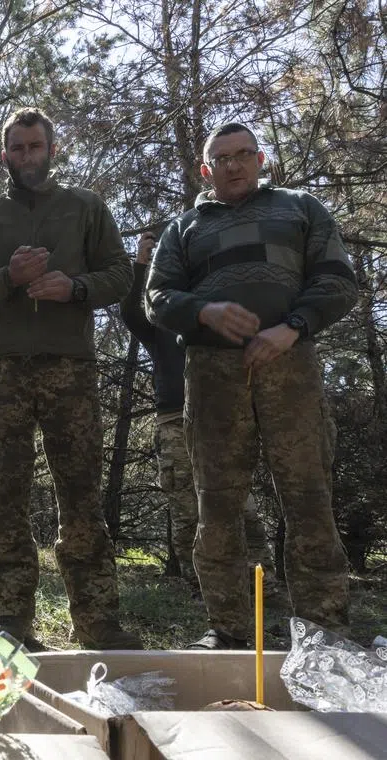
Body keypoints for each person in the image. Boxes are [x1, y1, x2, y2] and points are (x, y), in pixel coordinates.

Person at [145, 122, 356, 649]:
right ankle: (229, 629)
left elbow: (337, 280)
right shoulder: (184, 228)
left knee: (309, 497)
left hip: (291, 366)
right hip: (213, 375)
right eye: (222, 158)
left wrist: (294, 326)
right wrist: (204, 311)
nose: (234, 165)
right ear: (206, 170)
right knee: (217, 505)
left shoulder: (299, 208)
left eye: (243, 154)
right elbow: (158, 297)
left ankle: (324, 633)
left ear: (261, 160)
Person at [0, 107, 140, 651]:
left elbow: (120, 275)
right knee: (6, 498)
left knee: (81, 495)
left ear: (52, 150)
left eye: (35, 146)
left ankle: (97, 623)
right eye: (17, 148)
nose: (27, 156)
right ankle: (13, 624)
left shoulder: (85, 207)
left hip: (69, 368)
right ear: (4, 155)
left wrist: (74, 288)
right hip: (2, 371)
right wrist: (8, 277)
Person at [121, 231, 273, 585]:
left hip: (219, 421)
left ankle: (262, 587)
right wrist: (141, 264)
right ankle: (201, 587)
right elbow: (131, 314)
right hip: (174, 422)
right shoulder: (162, 325)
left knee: (243, 508)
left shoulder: (221, 318)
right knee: (186, 513)